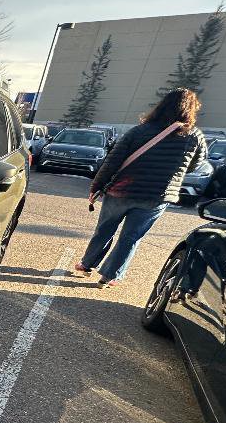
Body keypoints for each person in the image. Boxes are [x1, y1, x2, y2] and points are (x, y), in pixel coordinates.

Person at [74, 88, 208, 287]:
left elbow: (113, 161)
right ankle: (109, 276)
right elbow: (197, 163)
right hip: (157, 196)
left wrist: (97, 186)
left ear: (162, 106)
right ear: (191, 110)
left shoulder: (139, 131)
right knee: (131, 237)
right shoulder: (194, 136)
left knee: (105, 229)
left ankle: (87, 265)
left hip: (122, 190)